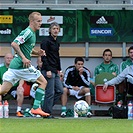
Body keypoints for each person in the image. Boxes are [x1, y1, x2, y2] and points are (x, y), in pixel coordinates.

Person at [0, 12, 50, 117]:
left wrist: (37, 53)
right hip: (21, 66)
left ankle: (36, 108)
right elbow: (14, 44)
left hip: (15, 67)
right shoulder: (28, 32)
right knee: (43, 82)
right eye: (38, 21)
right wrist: (23, 58)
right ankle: (36, 108)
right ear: (31, 21)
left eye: (41, 21)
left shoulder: (32, 33)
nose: (40, 23)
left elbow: (27, 49)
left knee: (3, 90)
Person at [41, 22, 63, 118]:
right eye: (53, 28)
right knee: (50, 93)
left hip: (55, 70)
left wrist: (60, 70)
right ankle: (47, 113)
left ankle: (45, 109)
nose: (55, 30)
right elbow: (43, 57)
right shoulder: (45, 41)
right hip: (48, 70)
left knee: (60, 90)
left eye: (57, 29)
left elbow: (57, 57)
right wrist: (48, 70)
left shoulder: (57, 42)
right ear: (50, 30)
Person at [0, 53, 24, 117]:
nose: (9, 60)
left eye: (11, 58)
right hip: (3, 86)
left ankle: (18, 111)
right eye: (7, 58)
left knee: (20, 90)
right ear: (4, 59)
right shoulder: (0, 68)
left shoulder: (17, 68)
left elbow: (22, 78)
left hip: (14, 87)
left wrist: (20, 85)